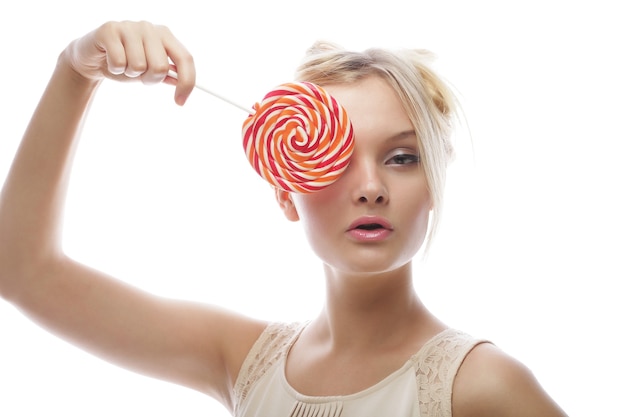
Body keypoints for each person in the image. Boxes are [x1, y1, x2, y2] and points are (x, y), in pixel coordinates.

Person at [0, 20, 568, 416]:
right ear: (285, 191)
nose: (370, 188)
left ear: (435, 186)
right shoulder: (242, 362)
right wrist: (75, 70)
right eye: (335, 158)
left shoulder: (482, 386)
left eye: (401, 158)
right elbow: (22, 271)